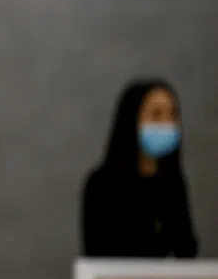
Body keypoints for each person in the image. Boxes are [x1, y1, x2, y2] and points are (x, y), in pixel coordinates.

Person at [82, 78, 198, 258]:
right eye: (156, 115)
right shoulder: (102, 183)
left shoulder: (173, 183)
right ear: (132, 118)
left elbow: (186, 250)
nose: (167, 124)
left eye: (172, 115)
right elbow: (96, 253)